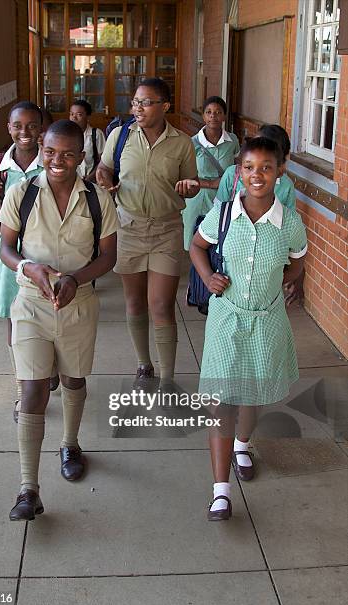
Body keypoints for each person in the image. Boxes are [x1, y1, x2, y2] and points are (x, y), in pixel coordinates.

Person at [0, 119, 118, 520]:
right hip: (31, 304)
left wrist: (75, 278)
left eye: (68, 153)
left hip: (78, 303)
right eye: (50, 152)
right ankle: (27, 489)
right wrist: (29, 268)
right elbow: (6, 249)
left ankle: (70, 443)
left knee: (73, 379)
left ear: (81, 157)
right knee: (33, 388)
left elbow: (108, 257)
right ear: (42, 151)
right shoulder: (22, 193)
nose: (57, 160)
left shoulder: (98, 199)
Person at [190, 137, 307, 520]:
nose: (257, 175)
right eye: (249, 167)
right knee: (223, 402)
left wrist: (281, 283)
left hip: (267, 319)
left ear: (279, 172)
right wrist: (208, 278)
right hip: (227, 318)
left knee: (253, 394)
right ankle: (220, 492)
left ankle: (243, 443)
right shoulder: (223, 214)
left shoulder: (289, 222)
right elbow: (196, 246)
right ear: (239, 172)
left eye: (266, 167)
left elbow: (298, 263)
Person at [96, 77, 199, 389]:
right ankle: (144, 364)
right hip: (128, 227)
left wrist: (188, 187)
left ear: (164, 106)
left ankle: (167, 377)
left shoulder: (182, 143)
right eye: (136, 102)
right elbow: (103, 168)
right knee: (134, 301)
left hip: (167, 229)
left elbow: (190, 185)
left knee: (161, 304)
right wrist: (104, 178)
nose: (137, 108)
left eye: (146, 102)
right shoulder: (120, 135)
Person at [0, 101, 45, 413]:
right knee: (13, 322)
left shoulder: (49, 160)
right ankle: (23, 386)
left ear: (41, 129)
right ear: (9, 128)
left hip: (43, 248)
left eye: (32, 126)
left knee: (47, 316)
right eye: (18, 126)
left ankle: (47, 371)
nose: (24, 132)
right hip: (8, 253)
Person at [215, 124, 303, 303]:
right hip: (229, 263)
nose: (256, 173)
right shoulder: (232, 175)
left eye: (267, 164)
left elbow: (292, 235)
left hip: (266, 265)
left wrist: (293, 277)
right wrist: (210, 274)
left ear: (280, 165)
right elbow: (216, 217)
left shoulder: (285, 187)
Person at [182, 96, 239, 249]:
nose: (213, 116)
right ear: (203, 116)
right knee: (195, 243)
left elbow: (237, 168)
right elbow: (184, 175)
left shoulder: (232, 141)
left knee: (220, 241)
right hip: (198, 197)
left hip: (223, 198)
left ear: (224, 116)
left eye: (218, 112)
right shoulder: (192, 143)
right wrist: (212, 183)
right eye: (208, 112)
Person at [69, 99, 105, 182]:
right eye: (71, 114)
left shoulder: (96, 134)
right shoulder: (65, 135)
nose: (74, 118)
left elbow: (103, 161)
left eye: (79, 114)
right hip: (71, 181)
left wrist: (90, 178)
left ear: (88, 117)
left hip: (92, 180)